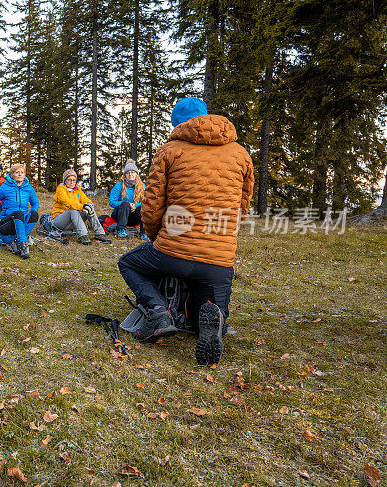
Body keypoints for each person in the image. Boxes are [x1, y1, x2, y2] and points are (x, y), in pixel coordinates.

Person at [117, 97, 254, 366]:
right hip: (218, 260)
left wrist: (157, 238)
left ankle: (158, 311)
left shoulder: (170, 150)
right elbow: (242, 207)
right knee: (209, 308)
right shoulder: (240, 154)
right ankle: (212, 322)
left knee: (128, 263)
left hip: (173, 250)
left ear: (178, 123)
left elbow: (152, 205)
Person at [0, 163, 39, 259]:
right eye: (17, 172)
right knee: (18, 213)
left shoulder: (29, 188)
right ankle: (23, 245)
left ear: (24, 175)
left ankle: (16, 241)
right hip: (6, 223)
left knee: (34, 214)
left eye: (22, 172)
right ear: (12, 174)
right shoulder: (5, 188)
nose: (19, 174)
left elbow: (35, 203)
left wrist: (31, 213)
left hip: (20, 222)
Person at [51, 169, 111, 245]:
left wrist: (89, 205)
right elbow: (68, 203)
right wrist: (83, 207)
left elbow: (86, 199)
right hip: (59, 220)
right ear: (65, 180)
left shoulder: (78, 189)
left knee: (89, 208)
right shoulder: (61, 189)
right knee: (73, 210)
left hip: (73, 220)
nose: (72, 182)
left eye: (74, 180)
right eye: (69, 180)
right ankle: (83, 235)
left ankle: (99, 233)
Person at [109, 160, 147, 238]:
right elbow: (112, 202)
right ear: (125, 175)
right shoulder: (119, 186)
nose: (130, 174)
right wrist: (128, 205)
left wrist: (135, 206)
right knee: (125, 203)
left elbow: (146, 201)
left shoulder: (142, 186)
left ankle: (144, 233)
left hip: (134, 217)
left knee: (144, 207)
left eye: (132, 172)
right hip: (120, 215)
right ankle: (121, 231)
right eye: (128, 173)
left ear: (136, 174)